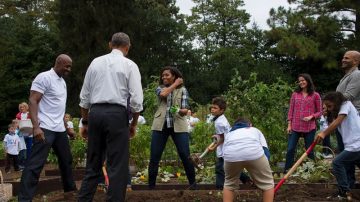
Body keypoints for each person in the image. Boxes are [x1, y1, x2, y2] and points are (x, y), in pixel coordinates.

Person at [78, 32, 143, 202]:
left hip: (96, 114)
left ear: (109, 45)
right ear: (127, 48)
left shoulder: (95, 63)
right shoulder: (130, 65)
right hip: (116, 115)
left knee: (93, 164)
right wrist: (133, 124)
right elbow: (136, 101)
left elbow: (84, 98)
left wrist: (85, 122)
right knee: (117, 166)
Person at [18, 54, 77, 201]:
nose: (69, 69)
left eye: (70, 67)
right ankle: (24, 199)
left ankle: (70, 192)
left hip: (59, 130)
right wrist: (36, 127)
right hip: (45, 128)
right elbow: (32, 101)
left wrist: (66, 127)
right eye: (66, 66)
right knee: (36, 164)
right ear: (58, 63)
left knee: (66, 160)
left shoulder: (62, 82)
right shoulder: (44, 77)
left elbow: (59, 108)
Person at [148, 66, 196, 190]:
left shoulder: (183, 90)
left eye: (167, 75)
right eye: (162, 75)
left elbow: (185, 109)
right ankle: (151, 188)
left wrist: (179, 110)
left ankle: (193, 186)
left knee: (185, 155)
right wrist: (175, 84)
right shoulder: (160, 88)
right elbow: (164, 94)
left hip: (178, 125)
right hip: (160, 125)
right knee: (154, 157)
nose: (164, 77)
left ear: (174, 76)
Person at [315, 92, 360, 201]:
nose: (329, 109)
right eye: (326, 107)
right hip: (352, 145)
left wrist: (324, 133)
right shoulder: (337, 111)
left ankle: (344, 193)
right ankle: (345, 191)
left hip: (356, 144)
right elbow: (331, 124)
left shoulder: (346, 105)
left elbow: (338, 121)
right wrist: (326, 116)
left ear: (336, 102)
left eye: (330, 106)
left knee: (337, 162)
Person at [222, 117, 274, 202]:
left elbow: (226, 155)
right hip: (254, 153)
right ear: (250, 125)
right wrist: (262, 173)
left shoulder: (229, 134)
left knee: (229, 184)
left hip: (231, 156)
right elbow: (265, 152)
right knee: (268, 184)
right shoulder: (255, 130)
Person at [210, 97, 251, 189]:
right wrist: (216, 136)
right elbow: (222, 135)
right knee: (231, 168)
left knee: (220, 169)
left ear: (222, 110)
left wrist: (213, 147)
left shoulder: (219, 122)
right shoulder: (220, 118)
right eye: (212, 107)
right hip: (228, 146)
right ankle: (247, 180)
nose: (212, 109)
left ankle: (220, 188)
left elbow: (223, 138)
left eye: (215, 108)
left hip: (225, 148)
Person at [284, 73, 322, 172]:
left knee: (309, 150)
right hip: (295, 126)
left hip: (309, 127)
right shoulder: (295, 94)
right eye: (299, 81)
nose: (301, 82)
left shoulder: (315, 95)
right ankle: (287, 170)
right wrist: (289, 125)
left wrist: (311, 116)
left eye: (303, 80)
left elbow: (320, 112)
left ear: (308, 81)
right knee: (290, 149)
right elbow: (291, 110)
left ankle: (311, 170)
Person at [335, 50, 360, 188]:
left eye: (347, 58)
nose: (343, 59)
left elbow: (348, 96)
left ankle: (348, 184)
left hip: (353, 119)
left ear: (355, 61)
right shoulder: (346, 76)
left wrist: (330, 101)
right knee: (347, 151)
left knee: (349, 152)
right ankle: (349, 182)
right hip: (344, 119)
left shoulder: (357, 74)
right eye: (343, 57)